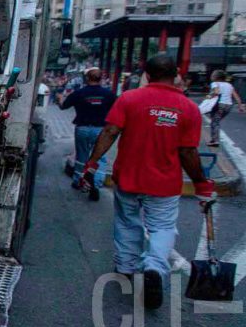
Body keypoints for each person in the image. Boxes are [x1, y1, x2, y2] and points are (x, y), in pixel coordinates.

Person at [80, 55, 215, 309]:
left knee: (127, 222)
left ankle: (126, 266)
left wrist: (93, 163)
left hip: (129, 177)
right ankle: (154, 267)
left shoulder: (130, 98)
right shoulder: (187, 107)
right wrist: (201, 183)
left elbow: (110, 131)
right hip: (164, 183)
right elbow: (188, 151)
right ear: (175, 74)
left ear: (147, 74)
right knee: (162, 228)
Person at [61, 67, 116, 201]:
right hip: (101, 130)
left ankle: (78, 181)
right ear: (101, 79)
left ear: (87, 78)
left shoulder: (79, 93)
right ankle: (96, 184)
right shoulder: (109, 94)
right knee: (100, 158)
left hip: (82, 128)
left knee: (82, 156)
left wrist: (61, 97)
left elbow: (63, 106)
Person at [204, 70, 245, 146]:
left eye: (212, 75)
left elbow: (216, 92)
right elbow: (236, 96)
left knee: (215, 122)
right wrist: (240, 106)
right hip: (228, 105)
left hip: (219, 104)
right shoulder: (229, 85)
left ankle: (215, 141)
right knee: (216, 121)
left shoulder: (214, 83)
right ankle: (214, 139)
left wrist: (209, 96)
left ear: (215, 77)